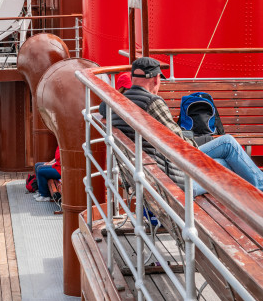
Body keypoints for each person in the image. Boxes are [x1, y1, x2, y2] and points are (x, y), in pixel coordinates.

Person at [112, 56, 263, 197]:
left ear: (133, 78)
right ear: (156, 79)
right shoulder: (151, 102)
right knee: (227, 144)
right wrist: (197, 144)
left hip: (153, 174)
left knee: (226, 159)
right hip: (176, 180)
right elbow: (179, 143)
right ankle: (260, 190)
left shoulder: (114, 103)